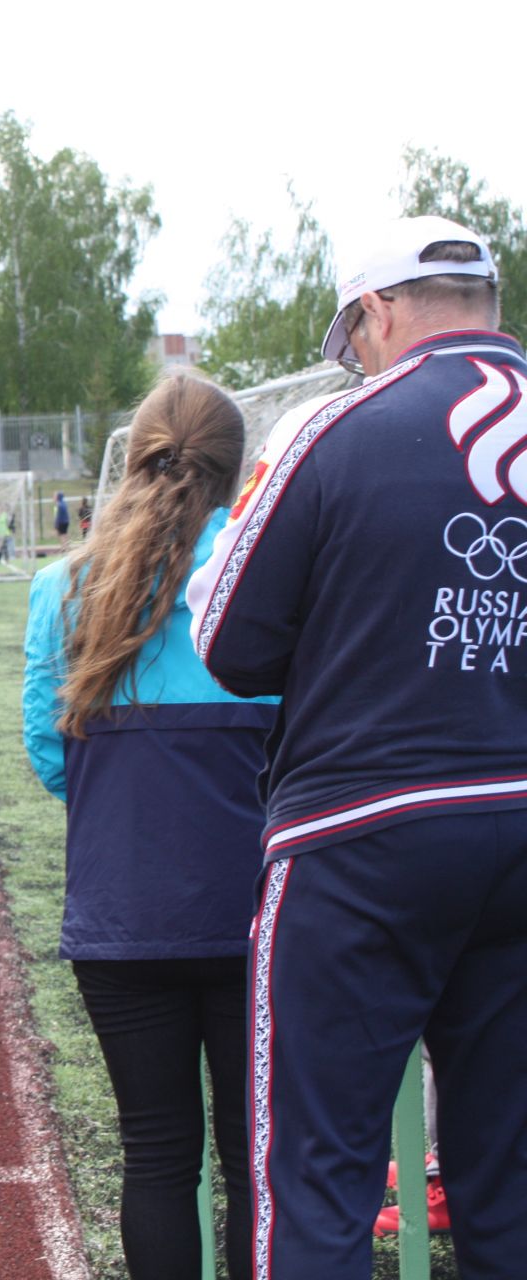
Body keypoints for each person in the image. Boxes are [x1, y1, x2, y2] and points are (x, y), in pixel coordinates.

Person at [185, 215, 527, 1279]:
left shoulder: (335, 431)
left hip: (362, 832)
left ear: (376, 311)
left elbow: (229, 642)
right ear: (491, 306)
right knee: (511, 1180)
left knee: (319, 1176)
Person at [25, 371, 274, 1280]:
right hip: (254, 917)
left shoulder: (65, 589)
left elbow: (50, 758)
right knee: (258, 1164)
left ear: (134, 461)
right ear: (235, 468)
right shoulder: (266, 577)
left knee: (158, 1155)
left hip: (121, 917)